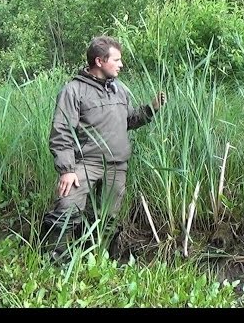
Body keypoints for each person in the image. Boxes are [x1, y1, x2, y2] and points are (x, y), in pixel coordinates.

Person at [42, 35, 165, 261]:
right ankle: (52, 261)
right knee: (67, 209)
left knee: (108, 217)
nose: (121, 65)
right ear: (99, 61)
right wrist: (67, 170)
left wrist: (151, 109)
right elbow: (61, 131)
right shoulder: (73, 90)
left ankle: (96, 259)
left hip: (117, 166)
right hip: (84, 163)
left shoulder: (120, 90)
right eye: (116, 60)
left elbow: (130, 120)